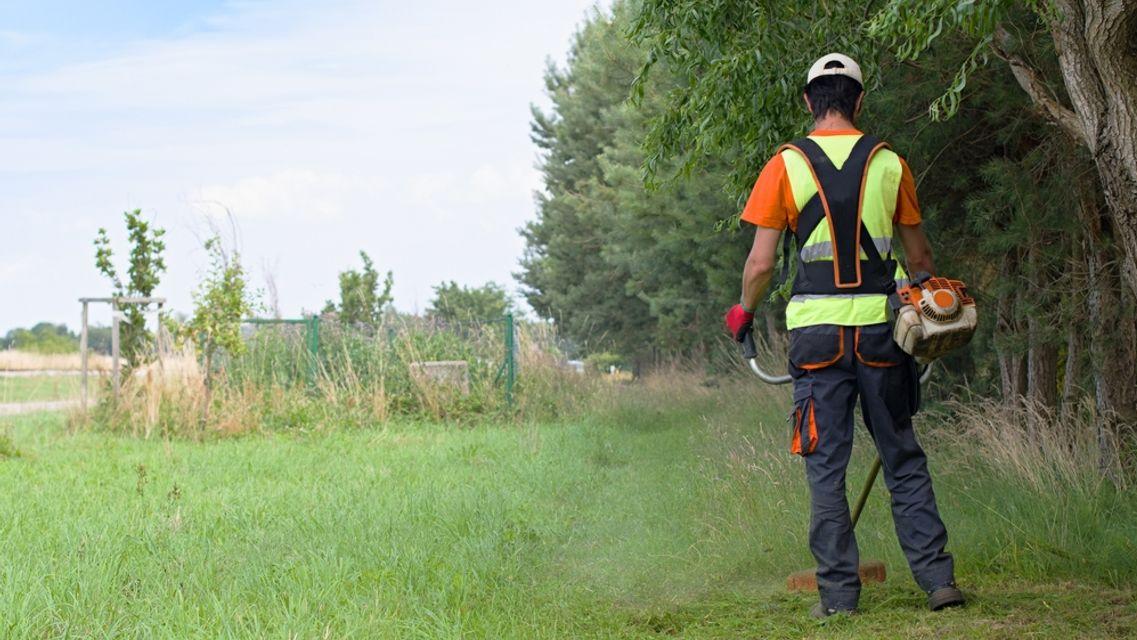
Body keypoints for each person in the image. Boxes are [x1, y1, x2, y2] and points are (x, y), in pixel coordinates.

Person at [723, 53, 965, 618]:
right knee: (902, 456)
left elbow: (760, 265)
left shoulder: (784, 165)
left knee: (826, 468)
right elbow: (921, 259)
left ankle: (837, 598)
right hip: (884, 337)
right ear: (859, 101)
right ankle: (937, 582)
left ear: (809, 102)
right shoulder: (889, 163)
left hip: (817, 340)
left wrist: (744, 312)